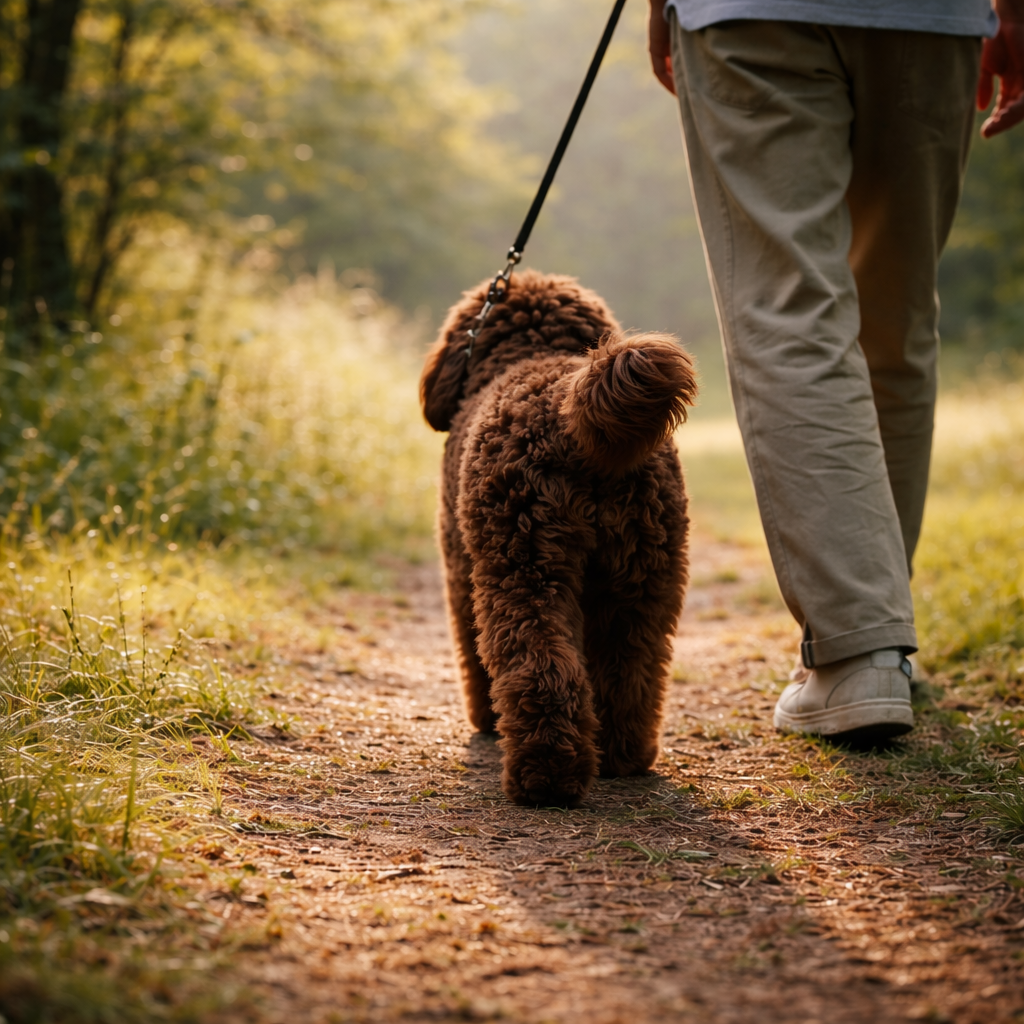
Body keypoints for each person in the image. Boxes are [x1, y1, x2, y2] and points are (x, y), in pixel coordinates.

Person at [646, 1, 1024, 739]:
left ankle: (859, 648)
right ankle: (879, 638)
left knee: (790, 305)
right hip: (931, 17)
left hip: (752, 14)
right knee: (899, 317)